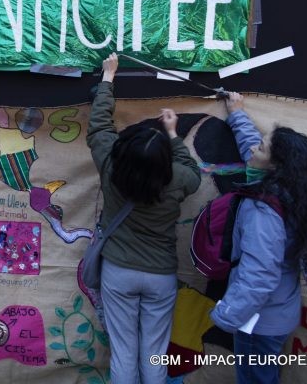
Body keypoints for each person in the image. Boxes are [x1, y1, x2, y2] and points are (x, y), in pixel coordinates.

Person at [87, 53, 201, 384]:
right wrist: (172, 134)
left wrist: (108, 77)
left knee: (124, 352)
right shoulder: (177, 177)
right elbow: (193, 171)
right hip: (160, 276)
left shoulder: (110, 166)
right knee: (154, 353)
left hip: (119, 272)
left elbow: (99, 128)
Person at [210, 92, 307, 384]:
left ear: (275, 166)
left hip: (258, 322)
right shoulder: (296, 195)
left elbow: (260, 275)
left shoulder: (263, 210)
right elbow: (253, 151)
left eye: (262, 147)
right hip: (279, 311)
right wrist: (238, 113)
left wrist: (226, 317)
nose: (255, 148)